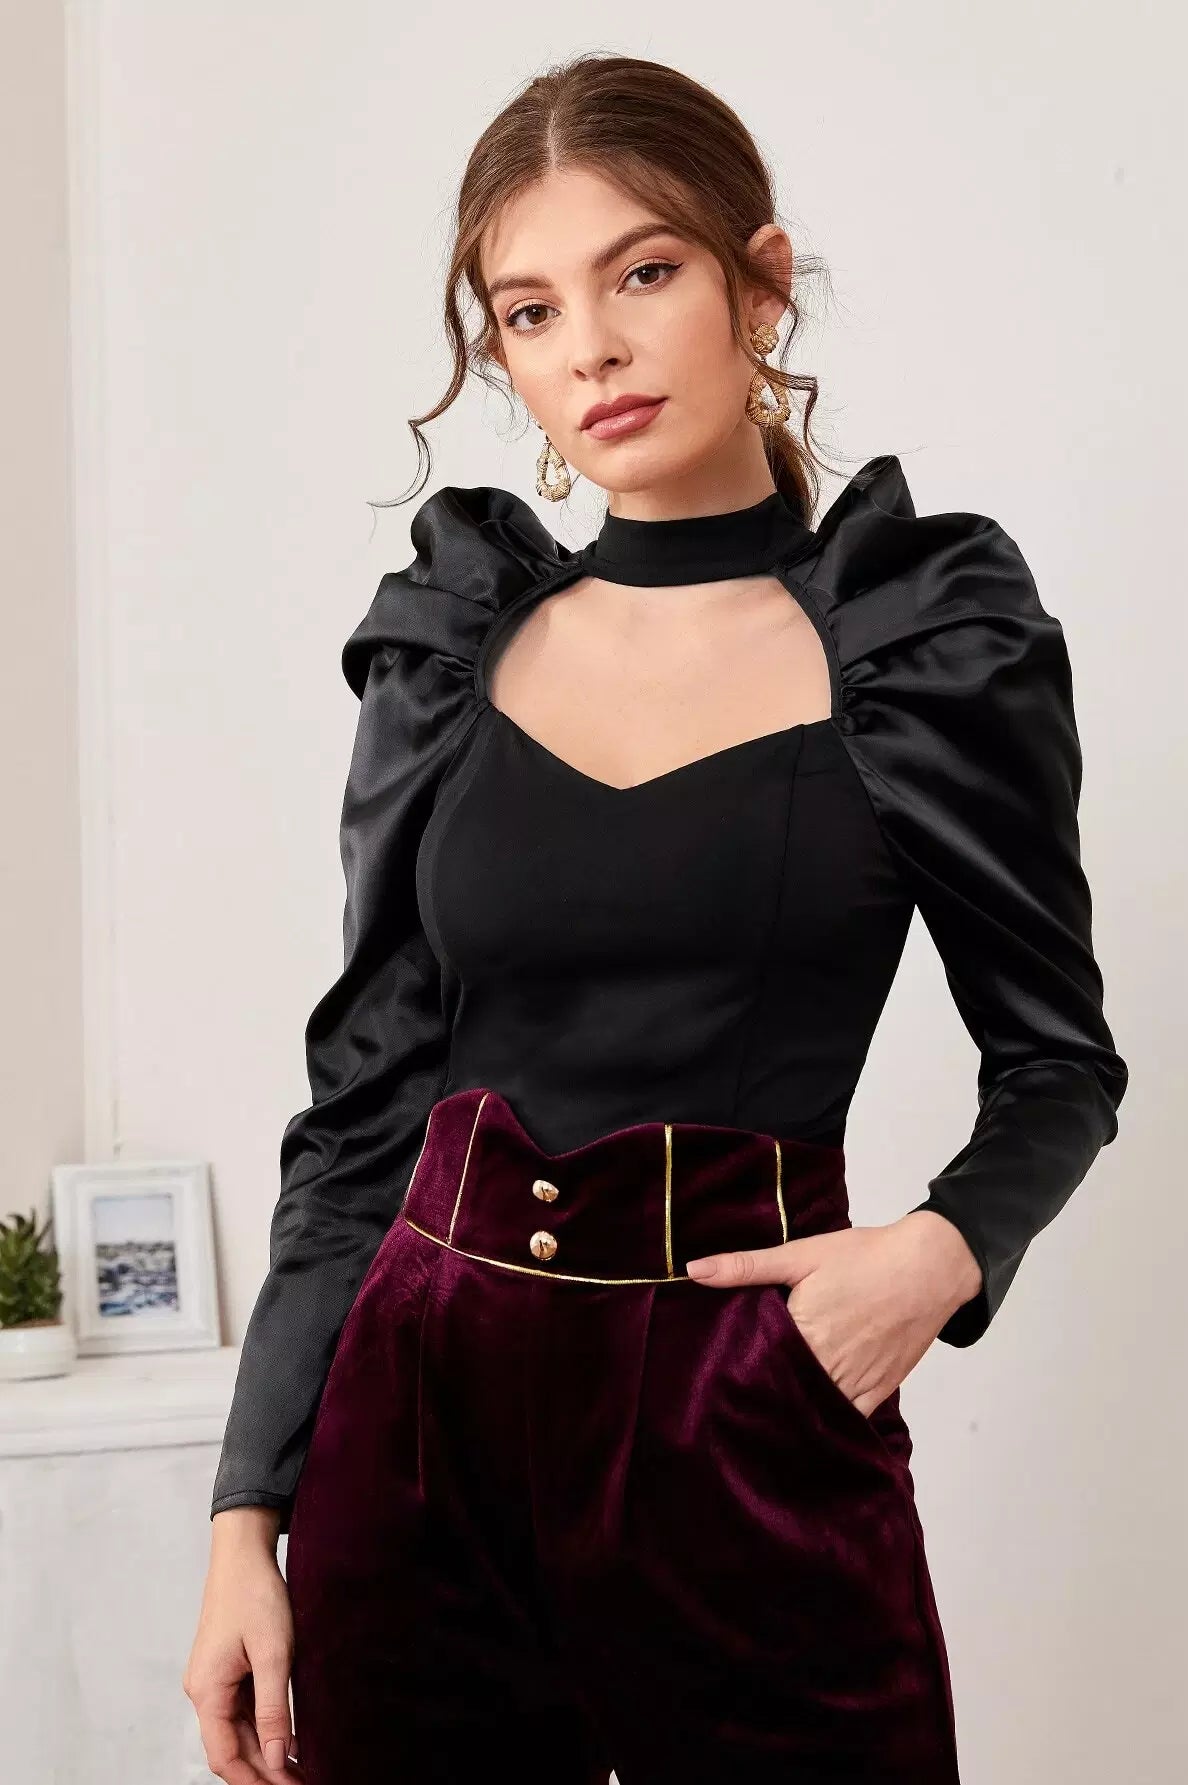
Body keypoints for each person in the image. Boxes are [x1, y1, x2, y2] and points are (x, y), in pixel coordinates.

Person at [183, 49, 1128, 1785]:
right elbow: (365, 1103)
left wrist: (938, 1254)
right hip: (418, 1444)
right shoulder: (451, 649)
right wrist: (248, 1513)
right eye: (530, 312)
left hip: (750, 1428)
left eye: (643, 274)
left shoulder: (919, 642)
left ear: (758, 284)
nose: (592, 350)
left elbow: (1059, 1062)